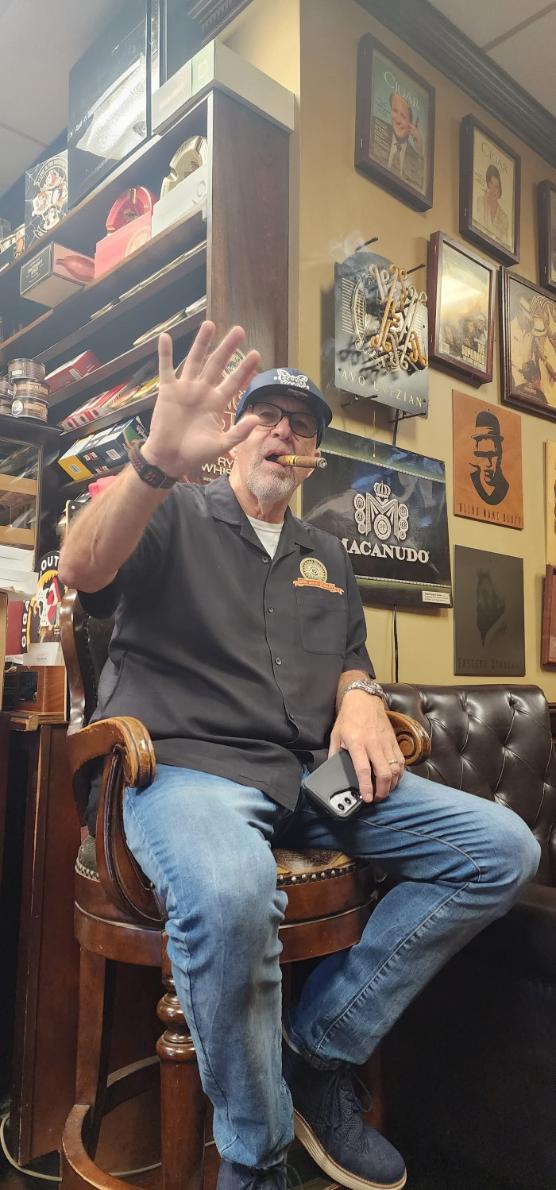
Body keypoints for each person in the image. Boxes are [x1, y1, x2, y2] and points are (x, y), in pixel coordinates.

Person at [59, 322, 540, 1190]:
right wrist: (154, 463)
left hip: (309, 780)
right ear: (231, 431)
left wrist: (359, 693)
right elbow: (82, 570)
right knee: (231, 889)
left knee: (501, 848)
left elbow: (351, 658)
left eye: (303, 424)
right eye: (267, 415)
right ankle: (259, 1158)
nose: (284, 432)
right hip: (188, 770)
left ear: (314, 455)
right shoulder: (172, 509)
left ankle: (318, 1051)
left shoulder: (328, 555)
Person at [370, 91, 424, 191]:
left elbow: (418, 188)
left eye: (403, 116)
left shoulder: (416, 158)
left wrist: (419, 152)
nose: (398, 120)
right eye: (395, 111)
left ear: (412, 125)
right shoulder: (374, 127)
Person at [469, 409, 509, 506]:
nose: (488, 464)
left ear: (500, 456)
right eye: (482, 455)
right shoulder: (472, 478)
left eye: (492, 455)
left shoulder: (504, 487)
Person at [474, 163, 510, 249]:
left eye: (496, 187)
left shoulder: (504, 218)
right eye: (491, 184)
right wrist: (486, 204)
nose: (493, 190)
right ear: (487, 184)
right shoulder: (480, 201)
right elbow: (479, 229)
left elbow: (503, 245)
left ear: (500, 189)